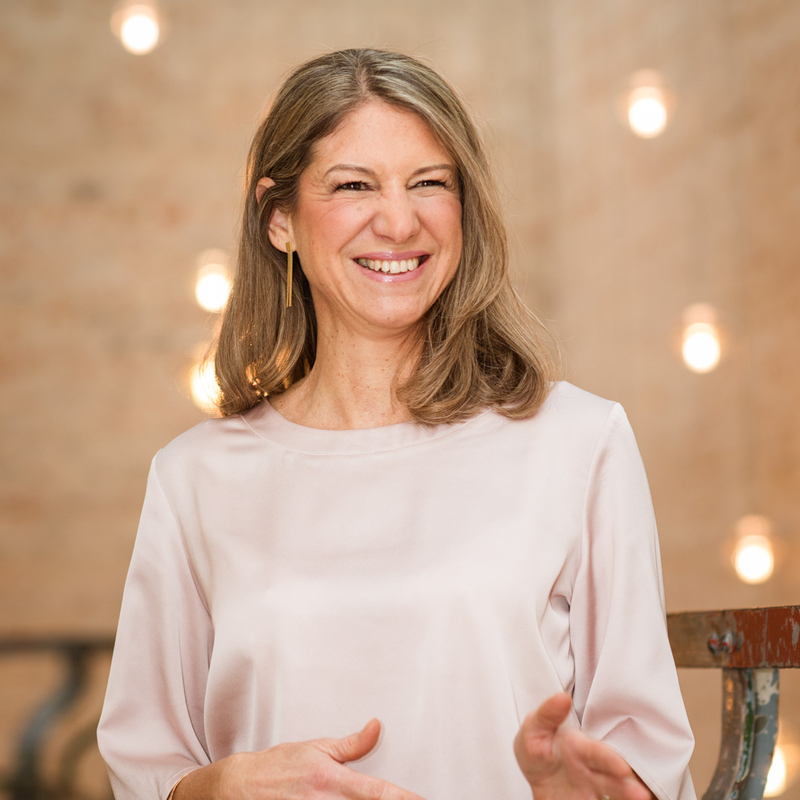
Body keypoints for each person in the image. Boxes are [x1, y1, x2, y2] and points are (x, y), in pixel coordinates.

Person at [97, 48, 696, 800]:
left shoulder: (579, 442)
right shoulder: (193, 479)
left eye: (429, 184)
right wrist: (215, 789)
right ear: (278, 218)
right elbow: (144, 767)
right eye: (354, 185)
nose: (399, 219)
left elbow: (649, 761)